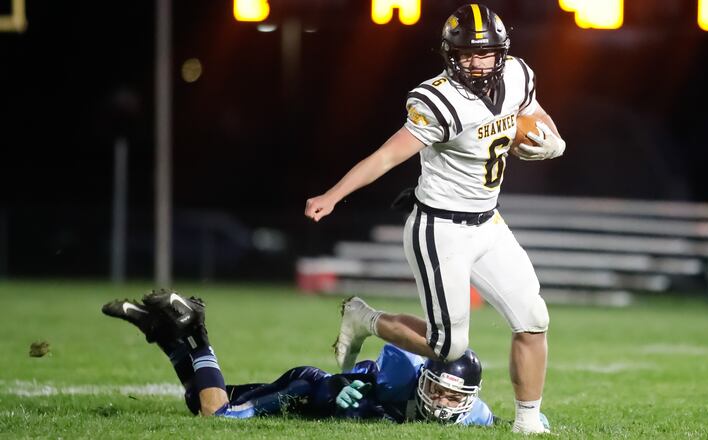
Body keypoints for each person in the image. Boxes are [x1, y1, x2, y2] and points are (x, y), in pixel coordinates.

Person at [304, 4, 565, 435]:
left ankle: (528, 422)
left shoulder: (517, 73)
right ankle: (363, 318)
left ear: (502, 52)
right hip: (440, 228)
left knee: (533, 318)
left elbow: (534, 112)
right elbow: (388, 155)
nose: (478, 63)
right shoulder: (438, 99)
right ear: (450, 55)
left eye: (486, 53)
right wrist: (334, 195)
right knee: (448, 347)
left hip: (489, 224)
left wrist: (554, 141)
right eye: (467, 55)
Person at [101, 290, 529, 426]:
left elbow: (502, 423)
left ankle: (163, 332)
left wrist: (534, 421)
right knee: (217, 416)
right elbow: (359, 375)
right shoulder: (399, 372)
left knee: (201, 399)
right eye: (439, 389)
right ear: (424, 377)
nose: (446, 403)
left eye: (456, 397)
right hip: (308, 389)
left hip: (322, 394)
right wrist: (345, 385)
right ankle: (195, 333)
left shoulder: (475, 415)